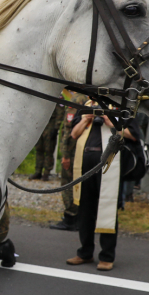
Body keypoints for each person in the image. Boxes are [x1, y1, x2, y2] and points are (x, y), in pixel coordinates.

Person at [65, 106, 142, 271]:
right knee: (85, 209)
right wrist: (87, 118)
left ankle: (107, 256)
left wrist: (109, 120)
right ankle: (85, 252)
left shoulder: (122, 109)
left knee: (107, 208)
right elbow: (74, 134)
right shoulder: (86, 107)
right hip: (85, 167)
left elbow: (134, 135)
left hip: (109, 167)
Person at [50, 93, 87, 231]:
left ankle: (71, 218)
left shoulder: (78, 100)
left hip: (73, 152)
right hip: (83, 150)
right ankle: (78, 218)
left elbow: (69, 129)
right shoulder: (89, 100)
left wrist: (65, 155)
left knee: (68, 184)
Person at [30, 102, 65, 180]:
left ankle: (46, 173)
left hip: (50, 126)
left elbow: (60, 113)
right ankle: (38, 171)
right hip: (40, 126)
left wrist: (56, 128)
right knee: (39, 149)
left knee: (49, 150)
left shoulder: (58, 98)